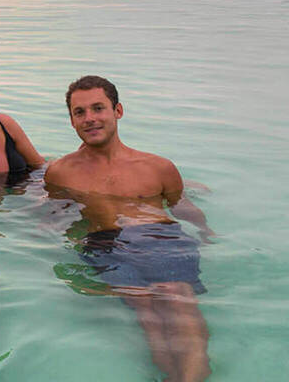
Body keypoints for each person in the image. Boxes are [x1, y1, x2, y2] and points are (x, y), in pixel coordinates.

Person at [45, 75, 215, 382]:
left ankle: (192, 375)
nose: (90, 119)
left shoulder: (157, 167)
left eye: (98, 108)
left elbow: (181, 206)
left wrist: (206, 232)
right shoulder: (60, 173)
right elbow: (55, 216)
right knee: (144, 305)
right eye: (79, 112)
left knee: (177, 295)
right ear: (71, 121)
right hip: (102, 243)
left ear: (118, 111)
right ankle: (173, 375)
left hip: (159, 236)